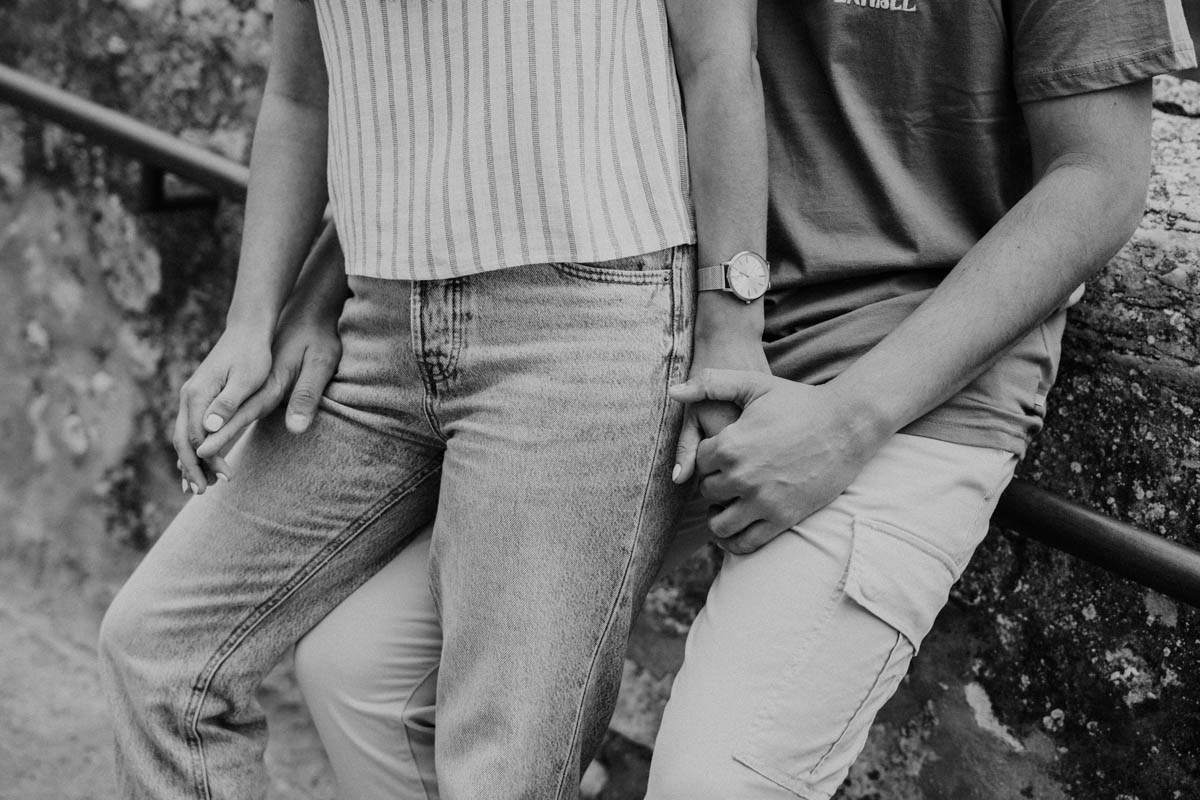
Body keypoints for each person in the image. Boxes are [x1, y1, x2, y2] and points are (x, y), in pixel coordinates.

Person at [240, 0, 1197, 797]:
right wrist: (327, 286)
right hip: (657, 342)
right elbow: (501, 79)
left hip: (902, 382)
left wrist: (848, 421)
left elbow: (1101, 181)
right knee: (363, 673)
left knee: (712, 784)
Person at [96, 1, 770, 798]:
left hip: (585, 327)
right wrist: (253, 319)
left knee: (500, 770)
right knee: (159, 653)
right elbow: (300, 95)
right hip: (376, 324)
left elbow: (720, 63)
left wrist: (732, 327)